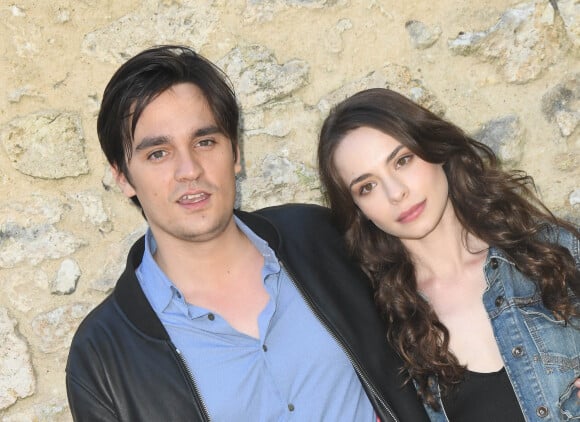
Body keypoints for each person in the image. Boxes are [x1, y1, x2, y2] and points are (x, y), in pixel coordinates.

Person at [65, 46, 430, 421]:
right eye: (158, 153)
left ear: (235, 153)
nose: (189, 169)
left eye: (205, 142)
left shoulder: (320, 239)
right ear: (123, 177)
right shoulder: (100, 358)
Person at [317, 87, 580, 421]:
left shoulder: (553, 255)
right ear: (358, 209)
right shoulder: (383, 328)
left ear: (436, 150)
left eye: (403, 160)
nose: (396, 193)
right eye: (367, 186)